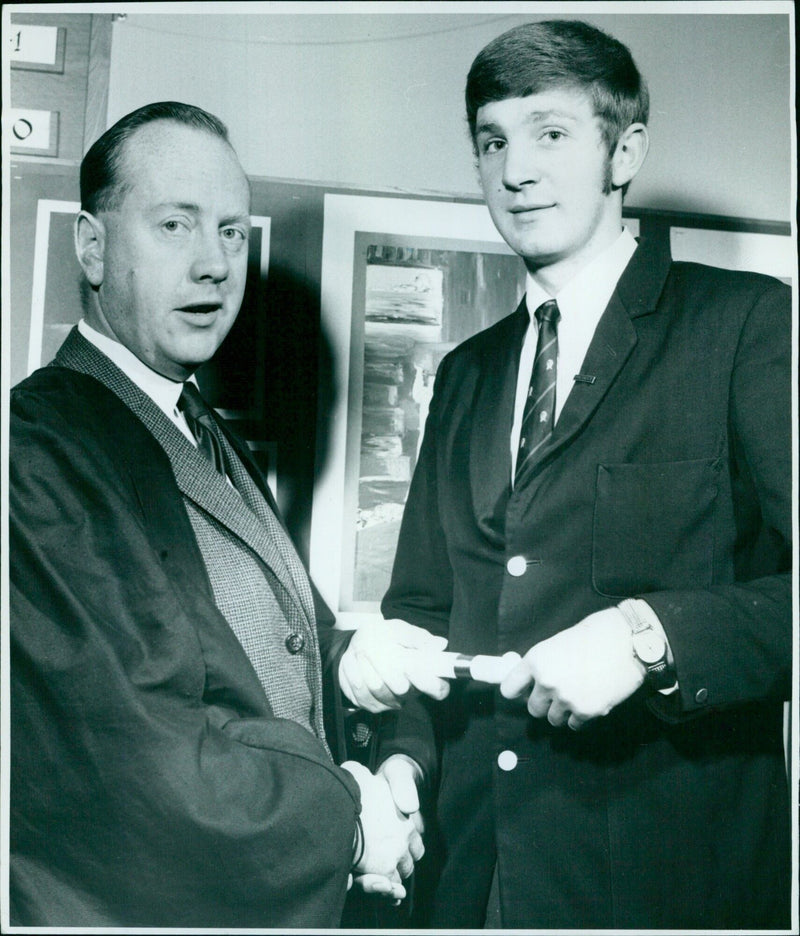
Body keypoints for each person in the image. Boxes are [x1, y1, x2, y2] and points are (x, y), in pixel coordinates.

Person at [344, 19, 792, 930]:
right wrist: (401, 761)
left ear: (624, 150)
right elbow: (424, 612)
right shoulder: (466, 372)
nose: (517, 171)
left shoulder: (746, 324)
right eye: (493, 142)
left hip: (666, 884)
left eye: (550, 134)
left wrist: (650, 638)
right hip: (470, 873)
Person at [8, 101, 430, 928]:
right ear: (91, 247)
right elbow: (137, 762)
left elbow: (250, 643)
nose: (214, 265)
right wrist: (349, 823)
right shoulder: (37, 447)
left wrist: (348, 666)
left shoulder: (193, 425)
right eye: (175, 225)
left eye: (232, 233)